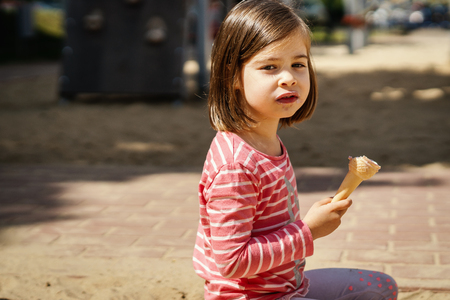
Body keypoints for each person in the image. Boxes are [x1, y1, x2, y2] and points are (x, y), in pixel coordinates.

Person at [192, 0, 398, 299]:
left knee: (381, 288)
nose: (288, 77)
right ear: (234, 76)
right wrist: (308, 231)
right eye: (270, 67)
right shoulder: (236, 167)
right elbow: (230, 261)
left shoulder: (266, 142)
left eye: (298, 64)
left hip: (289, 286)